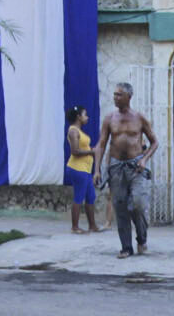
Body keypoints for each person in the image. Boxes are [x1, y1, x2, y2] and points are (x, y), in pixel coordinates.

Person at [100, 82, 157, 257]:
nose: (115, 98)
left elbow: (154, 142)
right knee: (120, 206)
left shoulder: (139, 118)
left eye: (119, 95)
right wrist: (97, 170)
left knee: (137, 204)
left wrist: (144, 159)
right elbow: (101, 144)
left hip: (136, 166)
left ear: (128, 97)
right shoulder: (110, 118)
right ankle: (126, 247)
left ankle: (141, 238)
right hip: (116, 166)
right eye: (114, 94)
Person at [65, 106, 98, 234]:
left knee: (91, 196)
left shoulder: (79, 131)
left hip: (85, 169)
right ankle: (75, 227)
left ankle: (92, 225)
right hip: (77, 169)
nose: (87, 117)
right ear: (78, 116)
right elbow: (75, 151)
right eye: (85, 115)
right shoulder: (73, 131)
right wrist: (92, 152)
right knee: (79, 196)